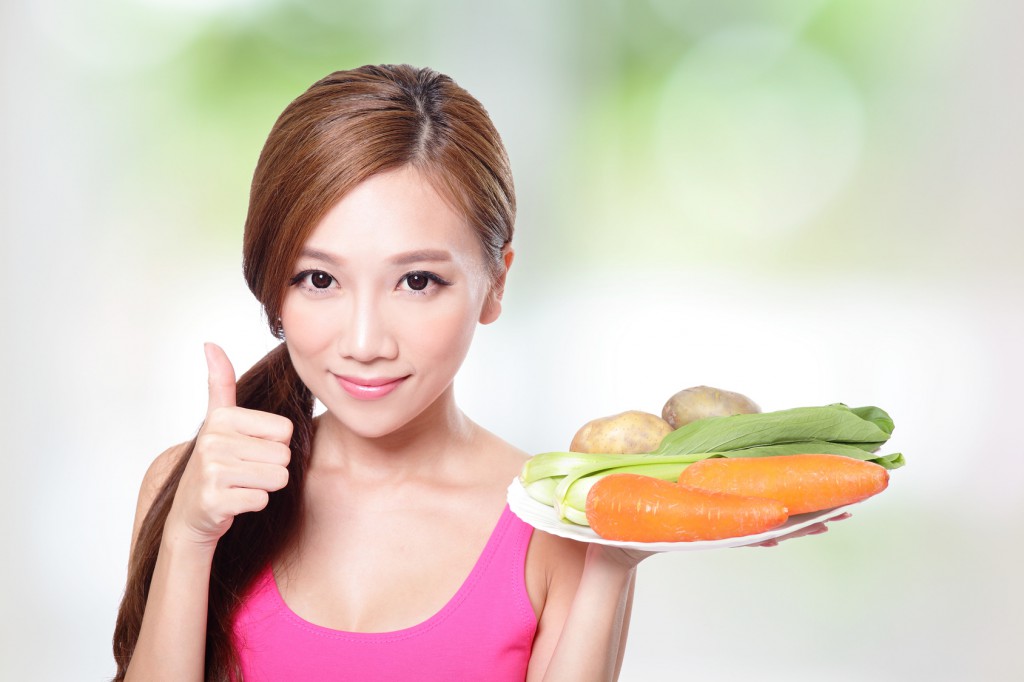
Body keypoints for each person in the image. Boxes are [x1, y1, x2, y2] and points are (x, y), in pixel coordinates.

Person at [112, 63, 647, 682]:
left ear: (496, 283)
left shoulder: (556, 524)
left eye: (417, 281)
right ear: (273, 284)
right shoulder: (190, 490)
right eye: (320, 280)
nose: (365, 343)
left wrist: (610, 569)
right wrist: (189, 537)